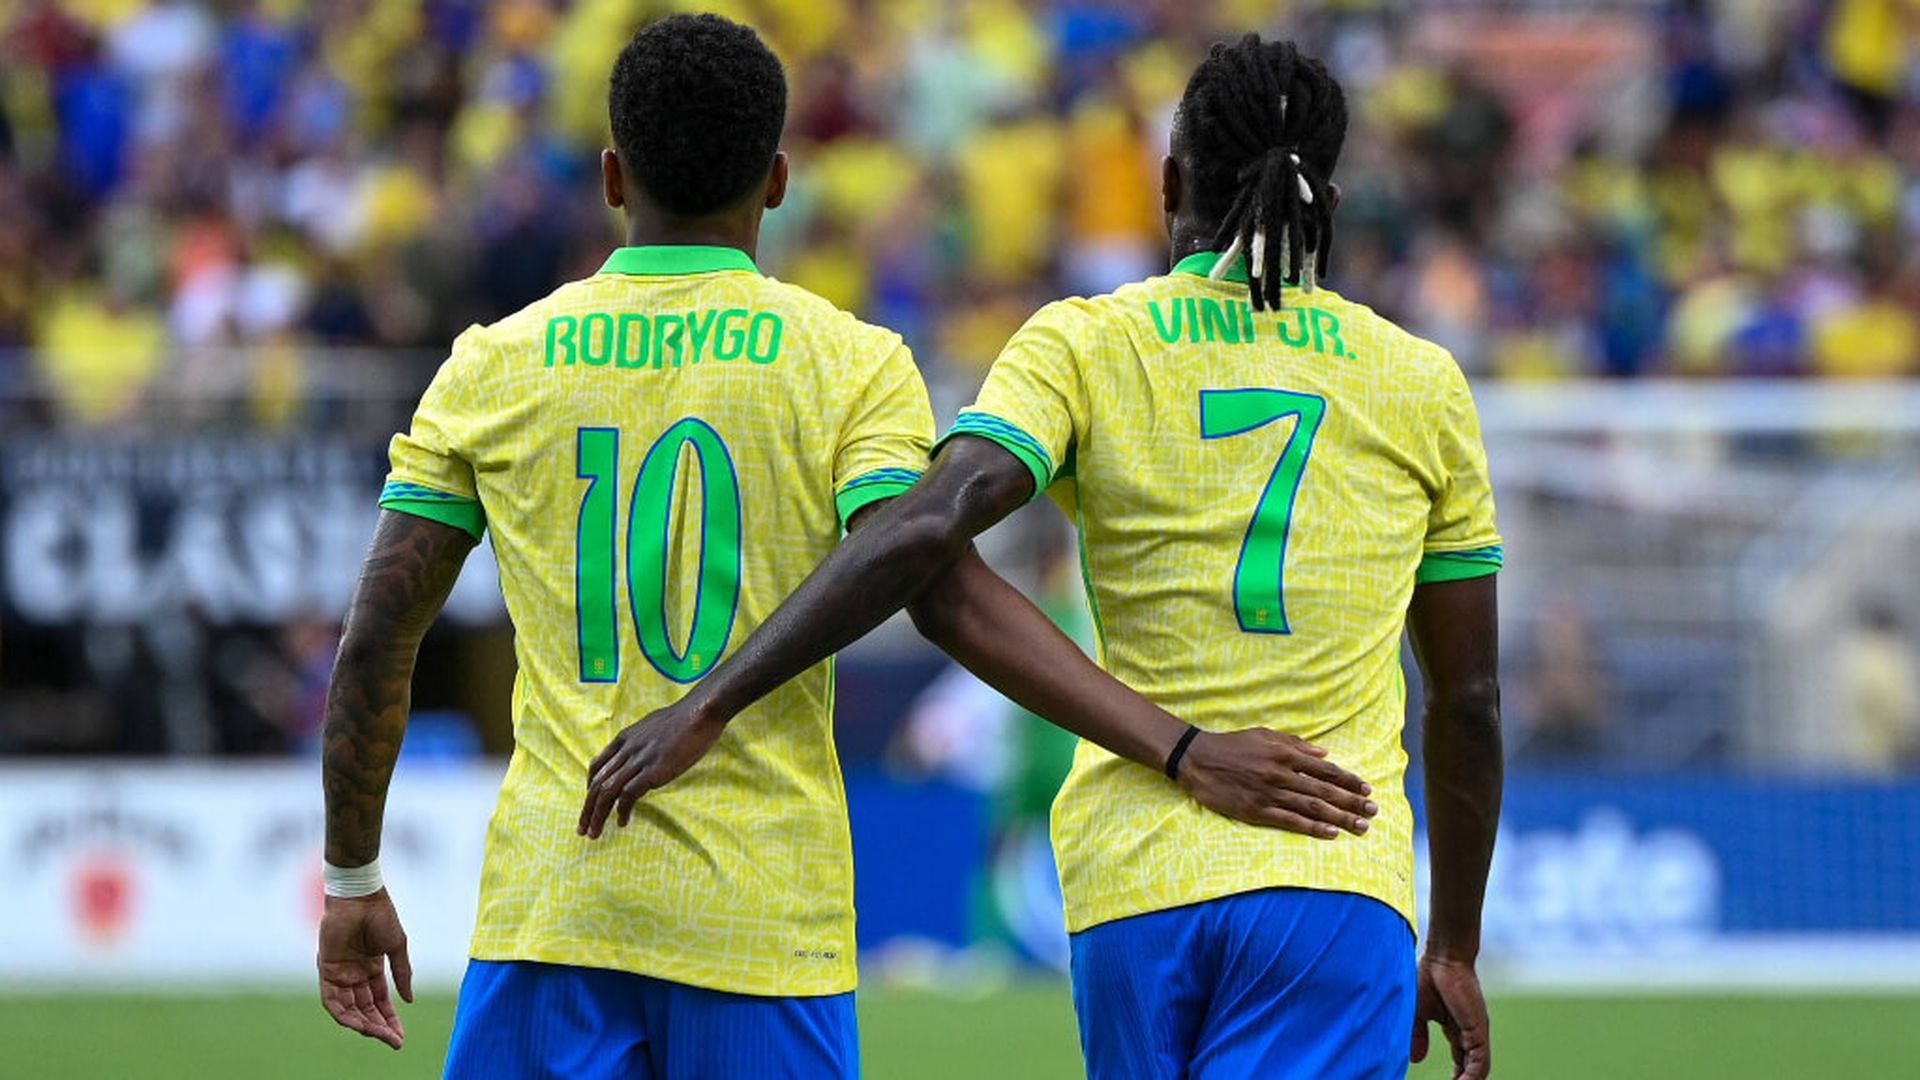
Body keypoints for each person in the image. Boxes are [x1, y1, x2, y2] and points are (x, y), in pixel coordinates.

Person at [318, 16, 1374, 1078]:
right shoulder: (849, 365)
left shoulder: (492, 366)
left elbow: (378, 636)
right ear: (779, 181)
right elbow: (933, 582)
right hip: (763, 924)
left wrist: (353, 877)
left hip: (553, 910)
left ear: (610, 176)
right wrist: (1181, 746)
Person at [585, 34, 1504, 1080]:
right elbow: (1467, 697)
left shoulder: (1087, 344)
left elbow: (928, 532)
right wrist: (1455, 943)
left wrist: (711, 699)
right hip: (1336, 881)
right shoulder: (1421, 383)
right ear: (1327, 205)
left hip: (1134, 888)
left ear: (1170, 184)